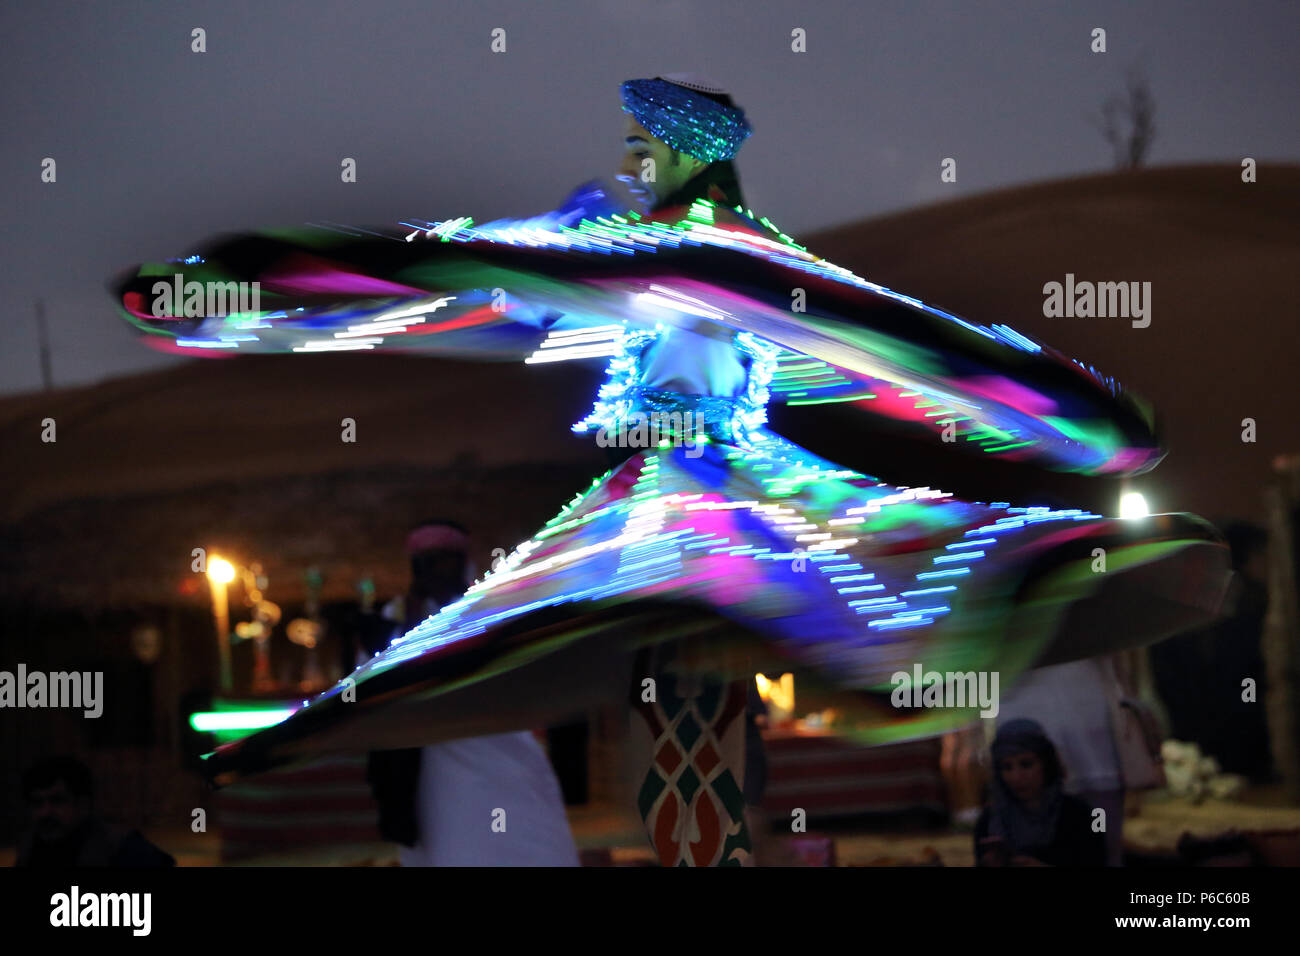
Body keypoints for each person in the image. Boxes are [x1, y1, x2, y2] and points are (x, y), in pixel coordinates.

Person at [119, 74, 1230, 867]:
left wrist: (1079, 412)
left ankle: (1010, 592)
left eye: (641, 148)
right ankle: (300, 726)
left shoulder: (728, 258)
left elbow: (912, 335)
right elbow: (461, 268)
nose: (626, 164)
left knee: (810, 604)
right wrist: (240, 295)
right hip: (646, 501)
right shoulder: (629, 245)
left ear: (687, 150)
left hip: (735, 496)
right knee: (488, 637)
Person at [362, 519, 579, 866]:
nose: (438, 571)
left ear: (463, 563)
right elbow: (372, 691)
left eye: (446, 561)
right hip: (428, 770)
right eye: (429, 562)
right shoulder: (392, 620)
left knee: (526, 838)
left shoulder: (489, 610)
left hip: (500, 753)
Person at [974, 719, 1106, 867]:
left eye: (1026, 764)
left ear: (1046, 764)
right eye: (1007, 767)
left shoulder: (1082, 815)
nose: (1016, 777)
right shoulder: (989, 821)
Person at [15, 755, 175, 868]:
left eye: (57, 801)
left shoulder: (123, 847)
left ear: (83, 804)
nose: (45, 812)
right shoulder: (31, 846)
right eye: (37, 803)